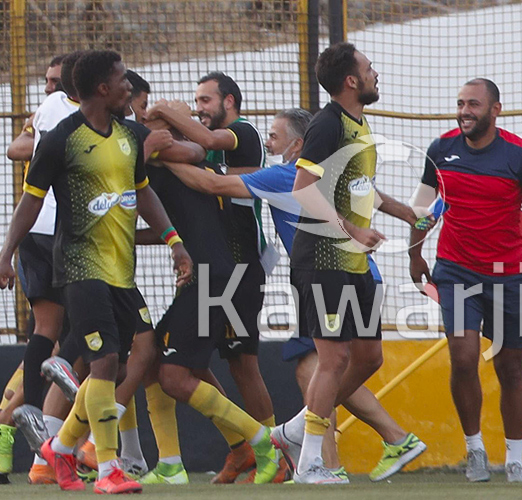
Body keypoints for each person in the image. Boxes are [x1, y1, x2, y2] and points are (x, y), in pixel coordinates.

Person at [163, 107, 427, 483]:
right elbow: (371, 194)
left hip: (327, 276)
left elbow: (212, 185)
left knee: (315, 368)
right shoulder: (332, 173)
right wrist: (409, 214)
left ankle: (323, 457)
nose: (269, 143)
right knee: (342, 364)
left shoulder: (286, 176)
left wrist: (160, 158)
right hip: (367, 275)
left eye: (275, 136)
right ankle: (369, 444)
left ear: (298, 145)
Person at [0, 50, 195, 494]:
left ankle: (58, 450)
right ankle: (107, 469)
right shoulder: (61, 140)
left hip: (122, 271)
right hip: (80, 267)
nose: (130, 87)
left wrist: (174, 242)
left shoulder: (129, 135)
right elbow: (30, 201)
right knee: (102, 362)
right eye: (123, 81)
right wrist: (6, 256)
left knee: (121, 364)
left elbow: (144, 193)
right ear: (103, 89)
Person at [255, 42, 426, 484]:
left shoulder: (359, 124)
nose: (375, 73)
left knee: (368, 357)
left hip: (353, 263)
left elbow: (360, 186)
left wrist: (404, 212)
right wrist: (352, 229)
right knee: (332, 359)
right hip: (322, 259)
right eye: (369, 68)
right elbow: (303, 188)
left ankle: (296, 429)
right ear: (351, 80)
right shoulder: (328, 124)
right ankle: (310, 463)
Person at [407, 78, 522, 483]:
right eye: (460, 103)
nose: (464, 111)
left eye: (473, 104)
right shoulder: (440, 149)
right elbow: (422, 208)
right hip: (455, 270)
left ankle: (515, 459)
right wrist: (414, 253)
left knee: (510, 367)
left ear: (495, 110)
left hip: (508, 275)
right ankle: (475, 449)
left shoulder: (518, 154)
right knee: (463, 357)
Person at [145, 72, 276, 482]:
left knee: (242, 365)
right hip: (218, 270)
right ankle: (243, 448)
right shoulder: (201, 147)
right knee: (191, 361)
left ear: (229, 101)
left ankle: (271, 450)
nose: (199, 108)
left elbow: (207, 160)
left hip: (239, 270)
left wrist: (164, 113)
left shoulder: (242, 133)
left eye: (206, 100)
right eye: (196, 101)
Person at [0, 53, 75, 486]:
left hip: (53, 231)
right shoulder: (58, 109)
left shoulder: (68, 111)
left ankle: (10, 426)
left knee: (59, 339)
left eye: (55, 81)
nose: (48, 88)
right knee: (74, 340)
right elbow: (16, 148)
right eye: (47, 81)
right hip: (52, 232)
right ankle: (40, 436)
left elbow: (23, 148)